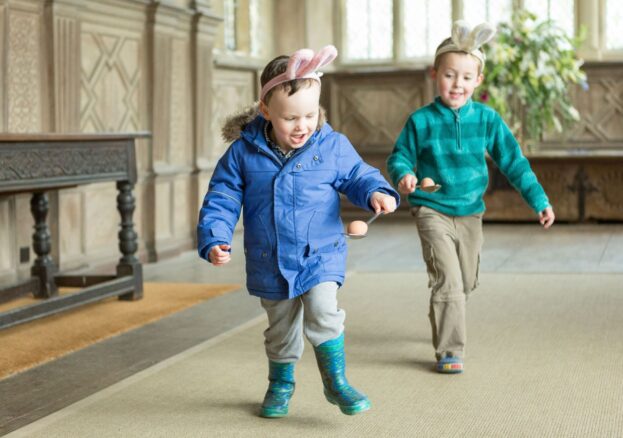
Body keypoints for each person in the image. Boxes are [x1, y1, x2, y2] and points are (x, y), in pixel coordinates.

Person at [197, 45, 399, 417]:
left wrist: (376, 192)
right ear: (266, 111)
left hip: (320, 252)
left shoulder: (331, 146)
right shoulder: (243, 154)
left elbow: (358, 175)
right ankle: (281, 383)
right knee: (280, 328)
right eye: (290, 118)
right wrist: (215, 237)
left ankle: (335, 381)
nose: (302, 126)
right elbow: (222, 197)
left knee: (323, 312)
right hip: (268, 257)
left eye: (310, 115)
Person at [386, 21, 555, 374]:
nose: (457, 84)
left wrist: (538, 200)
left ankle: (444, 308)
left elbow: (513, 161)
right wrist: (403, 174)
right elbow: (399, 155)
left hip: (470, 212)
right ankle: (450, 350)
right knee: (448, 280)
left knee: (465, 281)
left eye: (466, 77)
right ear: (436, 75)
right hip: (431, 208)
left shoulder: (489, 120)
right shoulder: (421, 121)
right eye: (450, 76)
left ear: (478, 81)